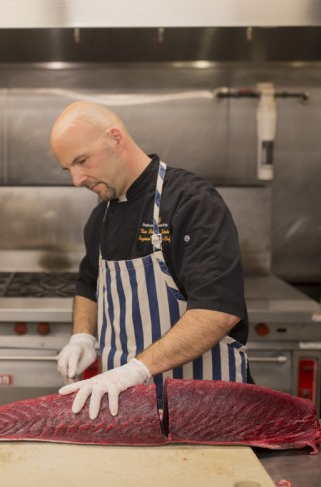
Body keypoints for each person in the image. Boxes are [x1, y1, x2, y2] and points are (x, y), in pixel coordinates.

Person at [50, 101, 250, 420]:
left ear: (116, 138)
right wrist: (82, 336)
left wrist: (135, 370)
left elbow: (217, 311)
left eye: (81, 161)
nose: (76, 179)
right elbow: (89, 285)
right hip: (127, 413)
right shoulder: (100, 217)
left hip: (207, 412)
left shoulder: (190, 202)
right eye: (68, 169)